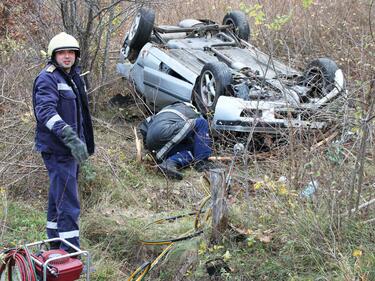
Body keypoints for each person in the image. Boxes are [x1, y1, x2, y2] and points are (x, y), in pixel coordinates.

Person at [32, 32, 95, 252]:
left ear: (76, 56)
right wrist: (70, 137)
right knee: (68, 204)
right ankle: (70, 256)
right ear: (53, 55)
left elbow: (81, 115)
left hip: (70, 152)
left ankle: (54, 248)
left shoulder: (73, 78)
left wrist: (83, 144)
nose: (67, 56)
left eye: (71, 52)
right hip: (58, 150)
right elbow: (45, 112)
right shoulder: (48, 78)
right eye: (62, 53)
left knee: (57, 199)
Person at [139, 102, 213, 180]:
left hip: (153, 143)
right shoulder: (190, 111)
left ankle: (170, 163)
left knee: (194, 150)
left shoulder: (164, 112)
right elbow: (199, 133)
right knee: (202, 123)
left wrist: (149, 149)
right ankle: (202, 163)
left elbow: (144, 126)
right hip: (165, 131)